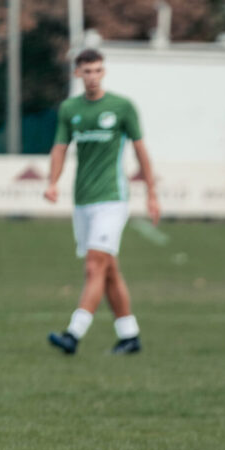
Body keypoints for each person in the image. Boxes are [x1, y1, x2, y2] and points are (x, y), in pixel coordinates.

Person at [45, 49, 158, 355]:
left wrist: (152, 193)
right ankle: (129, 336)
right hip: (83, 200)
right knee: (108, 270)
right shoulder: (69, 109)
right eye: (87, 71)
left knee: (95, 265)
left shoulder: (122, 107)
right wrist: (52, 182)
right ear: (77, 74)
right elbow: (59, 148)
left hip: (112, 199)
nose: (93, 77)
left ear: (103, 72)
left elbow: (141, 150)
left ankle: (73, 334)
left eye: (97, 70)